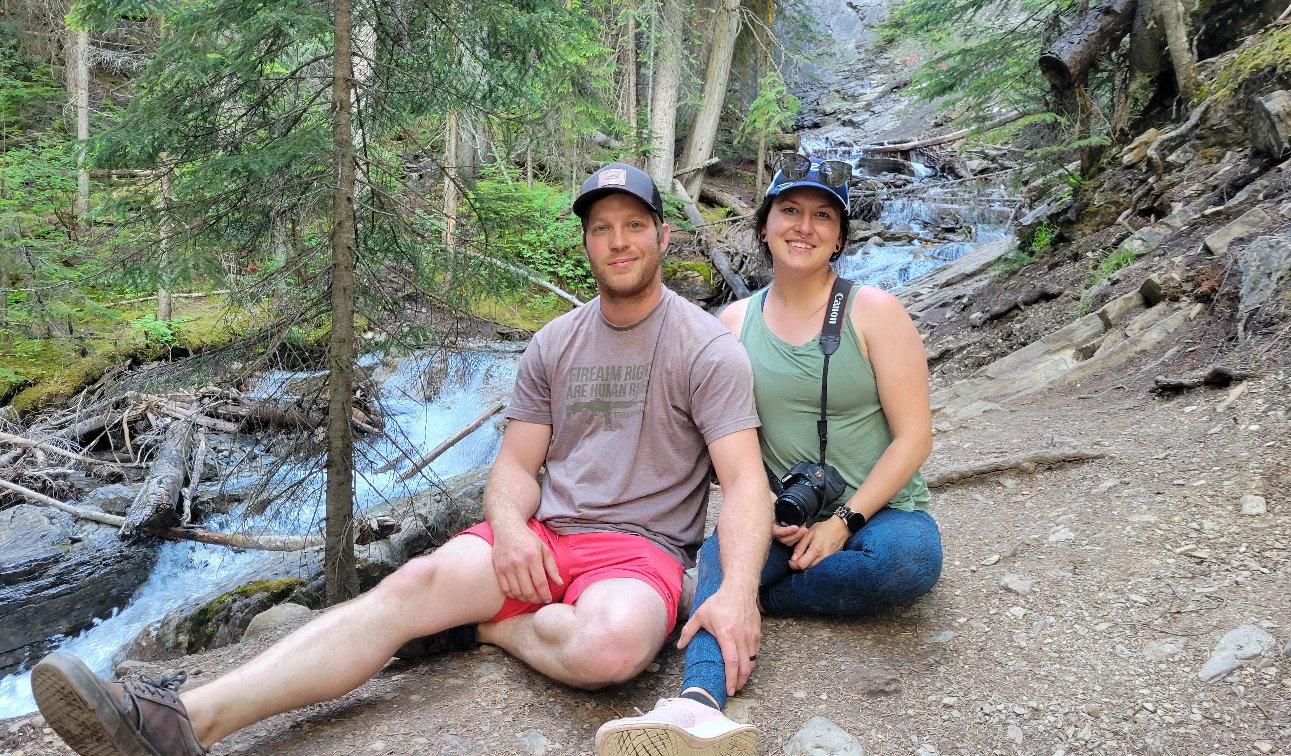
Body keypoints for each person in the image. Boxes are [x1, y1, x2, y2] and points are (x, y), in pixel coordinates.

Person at [30, 163, 774, 756]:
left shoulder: (705, 348)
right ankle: (181, 719)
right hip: (547, 537)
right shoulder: (554, 342)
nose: (619, 242)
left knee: (610, 648)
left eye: (634, 226)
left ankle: (483, 629)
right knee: (407, 586)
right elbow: (516, 467)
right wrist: (510, 530)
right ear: (586, 242)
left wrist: (737, 592)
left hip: (639, 552)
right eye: (602, 228)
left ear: (663, 236)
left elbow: (745, 484)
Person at [597, 153, 941, 754]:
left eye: (822, 216)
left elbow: (915, 437)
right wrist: (762, 514)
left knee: (910, 563)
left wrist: (842, 522)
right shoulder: (733, 324)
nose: (803, 227)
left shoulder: (875, 312)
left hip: (881, 513)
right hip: (780, 517)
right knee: (722, 553)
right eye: (790, 211)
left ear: (840, 236)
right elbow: (721, 442)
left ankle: (748, 598)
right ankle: (698, 704)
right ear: (764, 227)